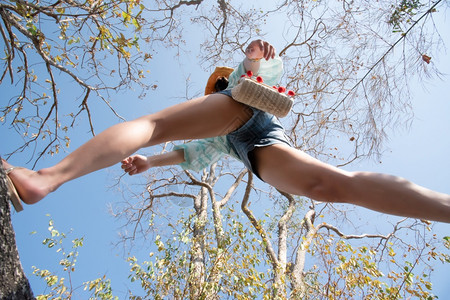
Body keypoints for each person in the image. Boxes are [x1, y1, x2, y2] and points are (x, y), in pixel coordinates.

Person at [2, 39, 450, 223]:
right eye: (213, 87)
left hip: (253, 118)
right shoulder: (209, 140)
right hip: (252, 146)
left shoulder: (228, 85)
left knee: (156, 124)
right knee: (326, 185)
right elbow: (185, 156)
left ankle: (46, 178)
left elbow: (257, 71)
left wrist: (254, 60)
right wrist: (147, 162)